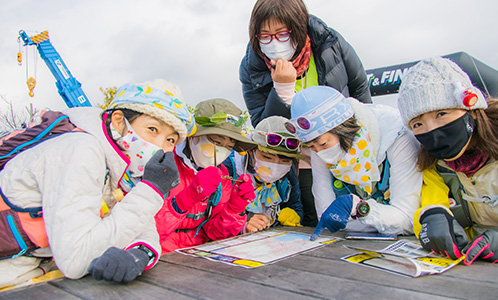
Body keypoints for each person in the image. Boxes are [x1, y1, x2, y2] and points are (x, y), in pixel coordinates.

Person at [0, 79, 194, 288]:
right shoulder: (80, 149)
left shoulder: (124, 165)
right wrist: (152, 190)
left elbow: (146, 229)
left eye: (170, 140)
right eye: (153, 129)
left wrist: (141, 252)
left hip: (39, 275)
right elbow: (75, 259)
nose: (160, 147)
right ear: (119, 120)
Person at [240, 0, 372, 227]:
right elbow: (263, 124)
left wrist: (364, 141)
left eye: (282, 34)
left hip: (341, 149)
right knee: (314, 220)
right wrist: (281, 89)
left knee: (359, 216)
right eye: (265, 36)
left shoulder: (330, 44)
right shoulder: (252, 67)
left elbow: (359, 89)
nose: (274, 43)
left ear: (299, 29)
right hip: (299, 161)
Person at [398, 57, 498, 264]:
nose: (431, 131)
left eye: (441, 114)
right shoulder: (434, 166)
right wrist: (431, 217)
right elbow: (430, 202)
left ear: (471, 107)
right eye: (417, 124)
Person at [289, 85, 422, 240]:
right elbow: (327, 215)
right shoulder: (319, 149)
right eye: (311, 147)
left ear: (343, 129)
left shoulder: (396, 136)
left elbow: (408, 217)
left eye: (323, 144)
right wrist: (385, 220)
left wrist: (359, 209)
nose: (320, 154)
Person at [155, 98, 257, 253]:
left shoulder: (223, 176)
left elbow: (215, 234)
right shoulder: (163, 164)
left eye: (229, 147)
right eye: (216, 141)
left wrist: (235, 209)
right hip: (158, 253)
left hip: (200, 255)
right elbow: (140, 228)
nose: (221, 151)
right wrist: (184, 200)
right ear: (193, 135)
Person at [223, 116, 303, 233]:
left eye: (285, 161)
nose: (275, 166)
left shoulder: (288, 175)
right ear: (251, 151)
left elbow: (295, 205)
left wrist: (292, 214)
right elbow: (213, 217)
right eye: (267, 157)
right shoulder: (229, 169)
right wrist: (243, 227)